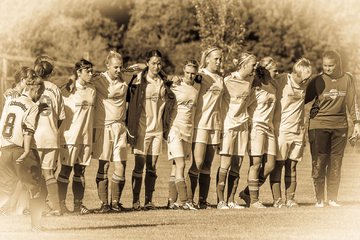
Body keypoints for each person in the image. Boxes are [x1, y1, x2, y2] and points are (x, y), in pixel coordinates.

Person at [305, 50, 360, 207]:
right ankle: (319, 200)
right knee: (320, 162)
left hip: (340, 127)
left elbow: (352, 103)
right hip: (318, 126)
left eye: (331, 65)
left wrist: (357, 123)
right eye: (325, 65)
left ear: (338, 64)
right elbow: (301, 99)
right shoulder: (317, 81)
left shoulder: (347, 79)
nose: (327, 69)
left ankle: (333, 199)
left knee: (336, 162)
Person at [92, 51, 141, 213]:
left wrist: (128, 68)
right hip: (104, 127)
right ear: (107, 66)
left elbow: (144, 68)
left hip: (120, 127)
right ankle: (104, 204)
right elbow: (80, 80)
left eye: (120, 67)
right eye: (115, 67)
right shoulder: (99, 80)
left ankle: (115, 203)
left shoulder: (125, 77)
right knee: (104, 165)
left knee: (121, 165)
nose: (118, 70)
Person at [127, 49, 175, 210]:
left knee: (152, 166)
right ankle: (135, 201)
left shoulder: (163, 81)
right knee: (139, 166)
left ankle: (148, 201)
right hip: (142, 130)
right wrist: (140, 67)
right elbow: (123, 73)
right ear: (147, 63)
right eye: (153, 63)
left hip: (157, 130)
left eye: (159, 63)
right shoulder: (138, 79)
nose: (157, 66)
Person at [0, 72, 46, 231]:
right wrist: (27, 151)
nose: (40, 96)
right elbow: (28, 130)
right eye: (41, 92)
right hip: (21, 150)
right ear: (36, 90)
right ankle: (36, 227)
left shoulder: (11, 99)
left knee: (5, 190)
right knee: (36, 189)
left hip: (4, 149)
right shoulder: (32, 106)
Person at [270, 58, 312, 208]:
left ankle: (290, 199)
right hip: (282, 131)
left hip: (298, 131)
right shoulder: (283, 80)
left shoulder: (305, 85)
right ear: (296, 73)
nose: (307, 81)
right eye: (305, 78)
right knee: (278, 165)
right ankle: (277, 200)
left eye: (309, 78)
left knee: (292, 166)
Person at [216, 52, 257, 209]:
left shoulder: (251, 80)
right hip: (228, 126)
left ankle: (231, 200)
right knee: (225, 164)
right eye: (253, 64)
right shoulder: (228, 80)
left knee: (237, 164)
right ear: (244, 64)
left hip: (243, 126)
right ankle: (221, 201)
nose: (255, 67)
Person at [186, 47, 224, 209]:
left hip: (215, 125)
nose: (219, 62)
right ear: (207, 59)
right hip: (200, 124)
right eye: (216, 58)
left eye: (221, 59)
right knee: (197, 163)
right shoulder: (200, 76)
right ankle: (188, 200)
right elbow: (187, 85)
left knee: (208, 164)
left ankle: (202, 201)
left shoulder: (220, 78)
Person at [57, 59, 96, 214]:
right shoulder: (68, 89)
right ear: (78, 72)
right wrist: (70, 80)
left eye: (92, 71)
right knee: (66, 170)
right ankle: (60, 204)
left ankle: (78, 205)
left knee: (80, 171)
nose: (91, 74)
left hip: (86, 137)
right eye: (88, 71)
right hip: (70, 136)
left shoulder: (92, 88)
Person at [239, 56, 278, 208]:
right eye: (275, 70)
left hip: (269, 128)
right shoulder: (255, 86)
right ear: (266, 70)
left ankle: (247, 193)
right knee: (255, 164)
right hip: (256, 127)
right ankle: (254, 200)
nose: (277, 72)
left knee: (270, 165)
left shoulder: (273, 85)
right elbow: (244, 105)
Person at [166, 60, 200, 211]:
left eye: (193, 73)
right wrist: (171, 77)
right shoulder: (175, 85)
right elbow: (160, 78)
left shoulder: (197, 87)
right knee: (181, 165)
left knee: (175, 168)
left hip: (188, 131)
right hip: (175, 129)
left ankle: (171, 201)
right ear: (183, 71)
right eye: (187, 72)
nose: (190, 76)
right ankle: (185, 201)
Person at [33, 58, 66, 216]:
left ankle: (36, 206)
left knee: (35, 174)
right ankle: (57, 208)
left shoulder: (32, 87)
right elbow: (61, 117)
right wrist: (53, 129)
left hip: (35, 137)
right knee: (49, 174)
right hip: (52, 137)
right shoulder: (55, 89)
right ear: (51, 73)